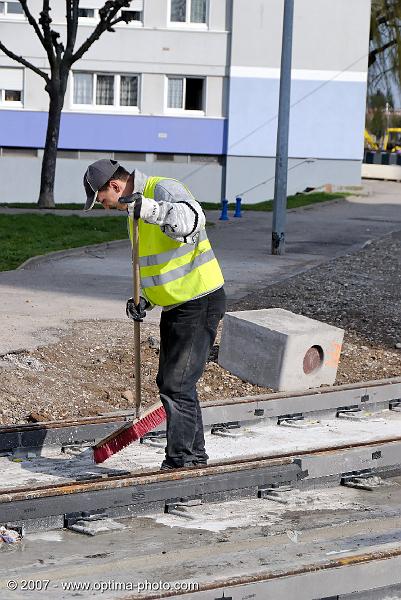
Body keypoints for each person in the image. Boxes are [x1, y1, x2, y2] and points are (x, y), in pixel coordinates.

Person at [83, 159, 226, 470]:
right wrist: (145, 300)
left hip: (199, 299)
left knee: (177, 384)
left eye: (103, 201)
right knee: (174, 382)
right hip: (177, 304)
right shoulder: (133, 212)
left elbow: (193, 220)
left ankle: (181, 461)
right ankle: (194, 456)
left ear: (115, 187)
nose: (106, 208)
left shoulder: (162, 189)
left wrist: (149, 209)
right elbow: (155, 266)